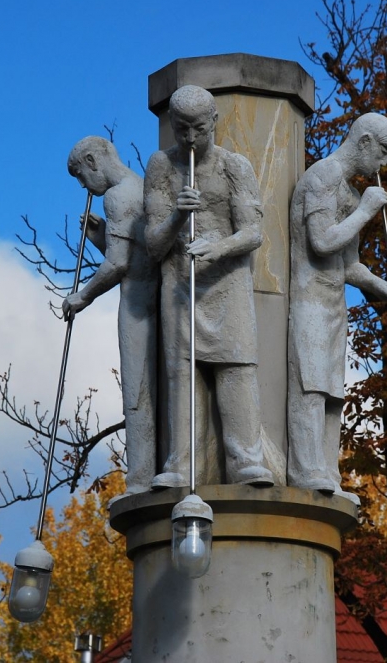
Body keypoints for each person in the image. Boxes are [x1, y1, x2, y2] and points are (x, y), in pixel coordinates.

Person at [144, 85, 273, 488]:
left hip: (227, 283)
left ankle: (245, 461)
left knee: (237, 368)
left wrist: (217, 248)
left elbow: (253, 233)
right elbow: (153, 245)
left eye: (199, 128)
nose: (190, 138)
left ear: (214, 121)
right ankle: (181, 465)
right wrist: (177, 217)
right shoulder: (161, 167)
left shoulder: (235, 166)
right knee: (182, 374)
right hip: (180, 285)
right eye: (182, 129)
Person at [287, 113, 387, 500]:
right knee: (311, 386)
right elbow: (321, 242)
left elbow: (348, 264)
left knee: (333, 393)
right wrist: (365, 212)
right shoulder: (323, 175)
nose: (382, 164)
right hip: (307, 299)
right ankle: (305, 470)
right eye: (382, 153)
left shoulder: (353, 194)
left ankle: (327, 472)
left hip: (334, 303)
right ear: (365, 141)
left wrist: (381, 286)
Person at [62, 136, 158, 496]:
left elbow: (118, 264)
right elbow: (134, 254)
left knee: (137, 392)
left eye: (80, 175)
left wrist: (82, 296)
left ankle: (141, 478)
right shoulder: (140, 186)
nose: (83, 185)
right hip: (152, 298)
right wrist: (100, 236)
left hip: (137, 305)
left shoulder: (117, 196)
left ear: (92, 161)